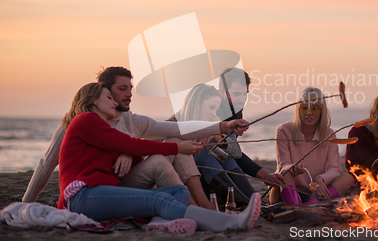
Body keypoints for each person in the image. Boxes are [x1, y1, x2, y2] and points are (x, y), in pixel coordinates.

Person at [23, 66, 248, 208]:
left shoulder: (132, 121)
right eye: (122, 88)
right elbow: (46, 164)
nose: (129, 93)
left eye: (130, 88)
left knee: (174, 141)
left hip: (130, 182)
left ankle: (200, 207)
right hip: (98, 190)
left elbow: (178, 128)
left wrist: (223, 125)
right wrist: (26, 203)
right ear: (105, 92)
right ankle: (197, 209)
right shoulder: (77, 122)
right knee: (170, 150)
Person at [58, 82, 261, 233]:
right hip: (82, 195)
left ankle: (161, 223)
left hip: (103, 192)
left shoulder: (104, 128)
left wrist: (223, 127)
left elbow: (132, 145)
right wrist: (176, 148)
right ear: (93, 100)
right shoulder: (85, 120)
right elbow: (129, 144)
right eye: (109, 98)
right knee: (160, 199)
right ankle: (228, 222)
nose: (115, 102)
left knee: (177, 190)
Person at [172, 84, 255, 207]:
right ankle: (248, 205)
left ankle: (253, 201)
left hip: (209, 188)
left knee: (226, 157)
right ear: (195, 104)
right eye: (211, 107)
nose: (213, 113)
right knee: (204, 158)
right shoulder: (172, 124)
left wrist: (219, 138)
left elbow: (237, 153)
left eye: (216, 109)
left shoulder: (214, 123)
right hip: (185, 186)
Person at [270, 87, 354, 205]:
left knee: (347, 178)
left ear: (321, 111)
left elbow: (335, 168)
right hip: (287, 191)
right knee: (285, 172)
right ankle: (297, 207)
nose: (309, 113)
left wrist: (320, 179)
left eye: (315, 109)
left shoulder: (329, 134)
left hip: (315, 193)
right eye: (304, 108)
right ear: (298, 110)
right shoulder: (284, 131)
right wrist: (294, 168)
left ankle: (309, 206)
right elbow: (283, 165)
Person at [217, 67, 285, 187]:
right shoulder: (213, 108)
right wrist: (264, 175)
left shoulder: (236, 111)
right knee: (228, 159)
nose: (242, 99)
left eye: (245, 94)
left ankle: (250, 201)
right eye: (237, 94)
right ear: (222, 92)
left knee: (229, 158)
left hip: (219, 160)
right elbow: (234, 153)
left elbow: (233, 152)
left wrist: (266, 176)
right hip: (196, 159)